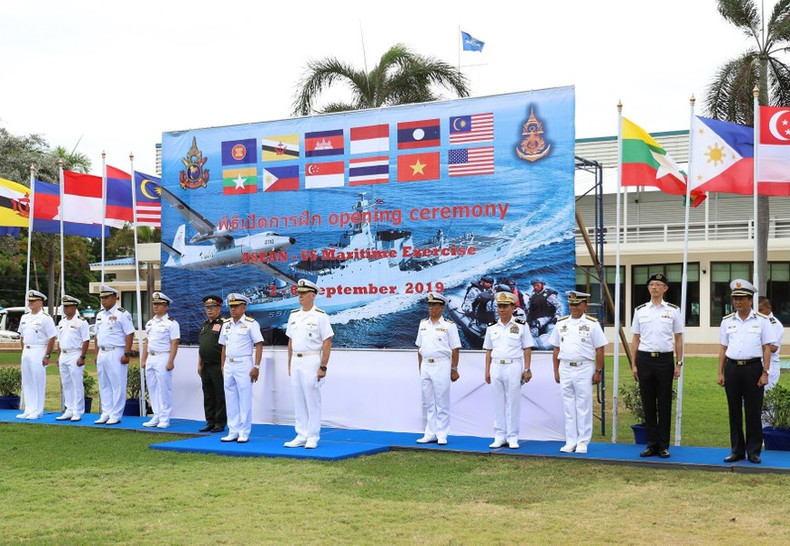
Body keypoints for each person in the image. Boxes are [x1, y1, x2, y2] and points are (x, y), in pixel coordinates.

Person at [718, 279, 777, 464]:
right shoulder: (727, 321)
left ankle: (753, 451)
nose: (738, 302)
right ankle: (736, 450)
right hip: (732, 368)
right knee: (734, 411)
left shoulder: (762, 320)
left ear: (750, 300)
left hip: (753, 368)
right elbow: (722, 348)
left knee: (753, 411)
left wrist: (765, 372)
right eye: (735, 298)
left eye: (742, 298)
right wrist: (720, 372)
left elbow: (767, 347)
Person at [630, 273, 683, 458]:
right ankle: (651, 444)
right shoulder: (640, 310)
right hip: (645, 360)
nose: (654, 287)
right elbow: (635, 339)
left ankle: (663, 445)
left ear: (665, 288)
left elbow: (678, 338)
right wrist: (633, 364)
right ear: (648, 288)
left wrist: (679, 363)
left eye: (658, 284)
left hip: (664, 360)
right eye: (651, 284)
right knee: (648, 402)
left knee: (664, 402)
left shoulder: (673, 310)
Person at [549, 291, 607, 454]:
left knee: (583, 406)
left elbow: (600, 348)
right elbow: (556, 348)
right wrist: (556, 370)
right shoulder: (561, 323)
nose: (573, 307)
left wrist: (598, 370)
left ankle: (582, 441)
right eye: (571, 304)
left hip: (584, 367)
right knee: (568, 406)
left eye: (577, 304)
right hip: (565, 367)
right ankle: (570, 440)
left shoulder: (592, 324)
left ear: (584, 306)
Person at [284, 279, 334, 449]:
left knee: (312, 399)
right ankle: (301, 434)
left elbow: (327, 342)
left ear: (312, 295)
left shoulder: (320, 316)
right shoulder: (293, 315)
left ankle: (312, 436)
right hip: (297, 360)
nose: (300, 297)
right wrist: (290, 362)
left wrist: (323, 366)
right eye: (299, 293)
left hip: (312, 359)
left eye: (303, 294)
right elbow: (290, 341)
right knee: (298, 399)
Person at [484, 290, 535, 449]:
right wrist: (486, 371)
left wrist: (527, 369)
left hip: (514, 366)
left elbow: (527, 348)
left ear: (513, 307)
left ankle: (513, 437)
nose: (502, 309)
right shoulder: (492, 327)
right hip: (496, 365)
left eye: (505, 306)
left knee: (513, 402)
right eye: (499, 306)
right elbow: (488, 350)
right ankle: (499, 436)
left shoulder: (520, 325)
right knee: (498, 402)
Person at [415, 292, 462, 445]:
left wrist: (454, 369)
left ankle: (442, 434)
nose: (431, 308)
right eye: (429, 305)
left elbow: (455, 349)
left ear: (442, 307)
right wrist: (420, 368)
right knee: (428, 402)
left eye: (434, 305)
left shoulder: (449, 325)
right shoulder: (423, 324)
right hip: (426, 365)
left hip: (442, 364)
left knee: (442, 401)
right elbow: (419, 348)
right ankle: (430, 432)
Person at [218, 293, 263, 443]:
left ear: (243, 307)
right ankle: (233, 430)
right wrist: (223, 365)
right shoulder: (226, 324)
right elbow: (224, 347)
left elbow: (259, 345)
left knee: (244, 398)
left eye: (236, 306)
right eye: (231, 306)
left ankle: (244, 431)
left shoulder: (251, 324)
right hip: (229, 364)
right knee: (230, 398)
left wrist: (256, 366)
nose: (232, 309)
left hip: (244, 363)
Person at [94, 285, 135, 425]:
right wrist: (96, 353)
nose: (103, 300)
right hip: (102, 351)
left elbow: (129, 333)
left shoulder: (122, 313)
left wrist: (127, 353)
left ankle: (116, 414)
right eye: (101, 298)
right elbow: (96, 335)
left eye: (106, 298)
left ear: (114, 297)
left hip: (116, 351)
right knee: (104, 384)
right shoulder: (100, 314)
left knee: (117, 384)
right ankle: (106, 412)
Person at [141, 292, 180, 429]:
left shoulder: (172, 323)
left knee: (164, 388)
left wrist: (171, 361)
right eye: (154, 304)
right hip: (151, 357)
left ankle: (165, 417)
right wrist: (144, 359)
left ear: (166, 306)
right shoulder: (150, 323)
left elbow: (174, 343)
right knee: (152, 387)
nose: (155, 307)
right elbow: (147, 341)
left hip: (163, 356)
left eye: (158, 304)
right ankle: (156, 415)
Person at [16, 290, 57, 420]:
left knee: (38, 381)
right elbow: (22, 336)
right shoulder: (25, 317)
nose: (30, 303)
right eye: (30, 301)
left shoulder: (45, 318)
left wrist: (47, 355)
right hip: (27, 351)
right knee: (27, 381)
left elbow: (52, 337)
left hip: (39, 350)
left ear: (40, 302)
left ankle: (38, 411)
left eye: (33, 301)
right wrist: (24, 351)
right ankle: (29, 409)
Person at [55, 295, 90, 422]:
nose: (66, 309)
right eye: (64, 306)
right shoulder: (62, 322)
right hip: (64, 354)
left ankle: (78, 411)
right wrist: (59, 356)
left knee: (76, 383)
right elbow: (59, 340)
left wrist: (82, 356)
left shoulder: (81, 322)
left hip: (75, 354)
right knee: (66, 383)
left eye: (68, 306)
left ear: (75, 307)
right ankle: (69, 409)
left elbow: (86, 340)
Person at [197, 294, 227, 433]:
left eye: (213, 307)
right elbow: (202, 346)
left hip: (217, 365)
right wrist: (199, 364)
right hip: (206, 365)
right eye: (207, 307)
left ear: (219, 309)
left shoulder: (223, 324)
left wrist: (223, 365)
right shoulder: (204, 325)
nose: (209, 310)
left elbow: (225, 347)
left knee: (219, 394)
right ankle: (210, 421)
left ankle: (220, 423)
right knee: (208, 394)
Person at [525, 279, 563, 345]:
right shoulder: (533, 294)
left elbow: (558, 306)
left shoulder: (549, 295)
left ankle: (534, 343)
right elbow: (528, 305)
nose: (535, 287)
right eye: (534, 286)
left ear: (542, 285)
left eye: (537, 285)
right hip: (535, 315)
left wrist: (557, 316)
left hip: (546, 316)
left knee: (535, 324)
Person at [758, 296, 783, 391]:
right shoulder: (758, 322)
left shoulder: (774, 325)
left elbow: (773, 348)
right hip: (756, 364)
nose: (758, 313)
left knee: (767, 398)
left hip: (770, 365)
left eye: (761, 310)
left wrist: (753, 346)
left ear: (769, 308)